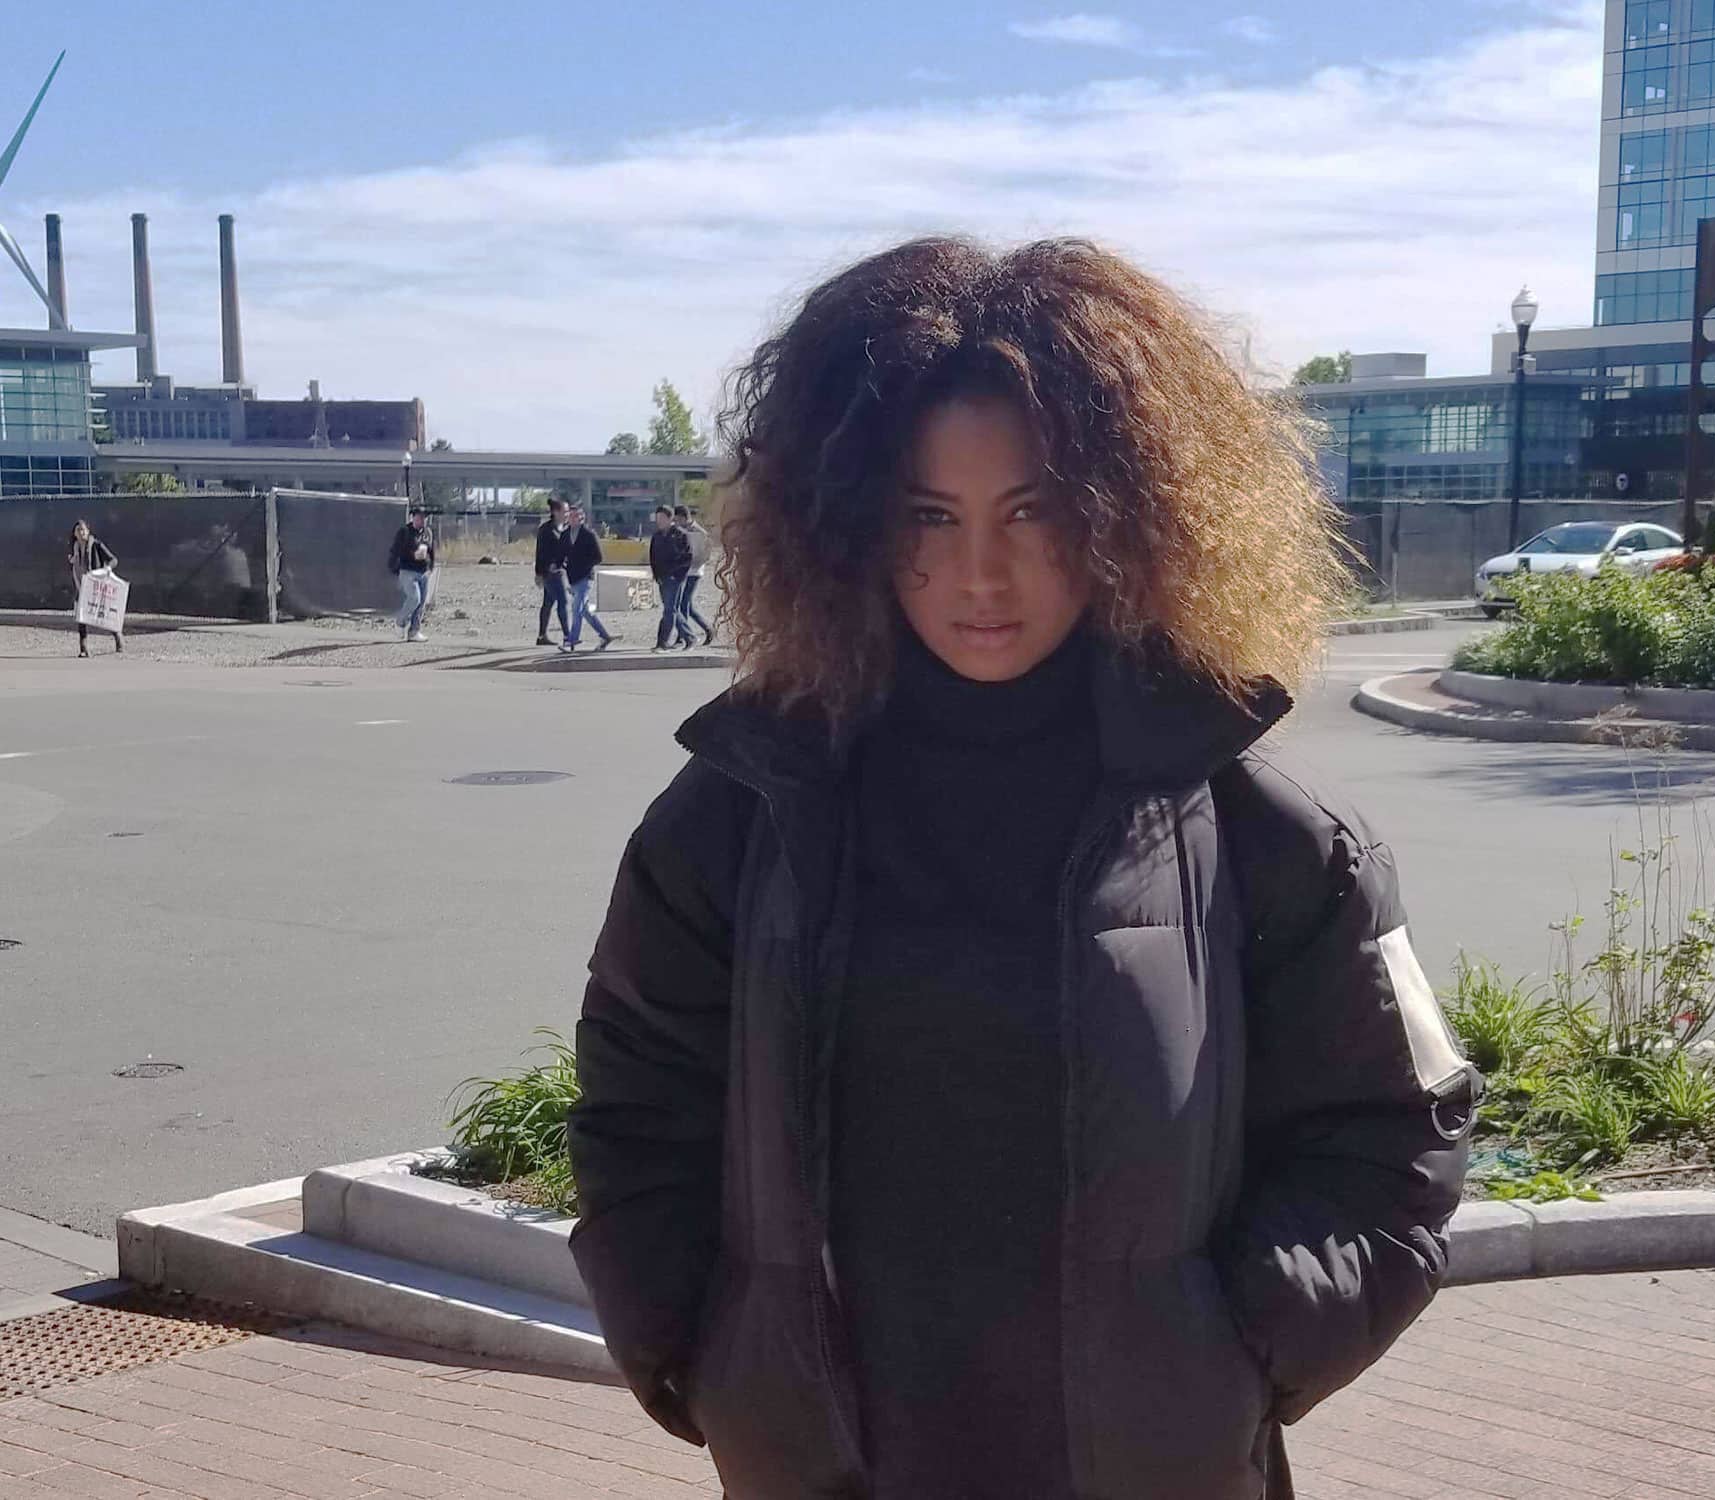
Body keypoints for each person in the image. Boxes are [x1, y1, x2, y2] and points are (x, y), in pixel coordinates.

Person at [566, 237, 1477, 1500]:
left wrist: (1232, 1350)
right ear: (845, 528)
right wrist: (693, 1348)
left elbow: (1393, 1133)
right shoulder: (737, 817)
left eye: (1030, 512)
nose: (977, 575)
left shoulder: (1258, 829)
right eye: (926, 518)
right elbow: (635, 1107)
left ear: (1123, 515)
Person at [560, 505, 615, 653]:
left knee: (576, 608)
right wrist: (558, 565)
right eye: (570, 515)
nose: (571, 518)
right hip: (573, 579)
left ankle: (572, 639)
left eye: (575, 515)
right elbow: (561, 555)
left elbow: (598, 557)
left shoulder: (589, 535)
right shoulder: (565, 535)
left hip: (585, 578)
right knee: (584, 611)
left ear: (581, 517)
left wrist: (583, 565)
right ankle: (605, 636)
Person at [66, 520, 122, 658]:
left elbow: (114, 559)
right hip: (81, 585)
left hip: (97, 586)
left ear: (88, 531)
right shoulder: (73, 548)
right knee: (81, 616)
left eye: (83, 529)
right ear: (75, 533)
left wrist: (107, 568)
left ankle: (118, 637)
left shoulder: (96, 545)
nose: (81, 532)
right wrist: (72, 560)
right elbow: (73, 564)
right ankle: (83, 648)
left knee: (105, 615)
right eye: (78, 530)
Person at [648, 505, 694, 652]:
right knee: (672, 610)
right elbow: (653, 558)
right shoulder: (656, 537)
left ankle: (662, 642)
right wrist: (656, 576)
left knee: (669, 611)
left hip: (675, 579)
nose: (659, 522)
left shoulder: (680, 535)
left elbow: (688, 558)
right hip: (662, 578)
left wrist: (677, 575)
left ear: (670, 518)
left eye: (662, 518)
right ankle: (690, 637)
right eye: (657, 519)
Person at [389, 505, 437, 642]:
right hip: (407, 570)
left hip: (423, 571)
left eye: (424, 518)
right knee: (414, 598)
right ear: (413, 518)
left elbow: (431, 550)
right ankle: (400, 622)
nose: (422, 520)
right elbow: (395, 550)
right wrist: (411, 554)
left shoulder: (427, 532)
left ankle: (414, 631)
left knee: (421, 603)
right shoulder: (405, 532)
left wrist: (431, 565)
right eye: (419, 517)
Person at [672, 502, 716, 647]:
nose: (676, 522)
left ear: (684, 517)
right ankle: (704, 629)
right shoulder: (678, 530)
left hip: (694, 572)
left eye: (677, 519)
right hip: (682, 570)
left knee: (684, 604)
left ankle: (684, 636)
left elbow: (705, 553)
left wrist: (694, 563)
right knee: (684, 605)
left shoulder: (699, 532)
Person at [534, 497, 572, 644]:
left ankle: (542, 636)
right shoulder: (546, 530)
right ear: (556, 512)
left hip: (561, 570)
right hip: (551, 573)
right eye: (565, 511)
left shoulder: (565, 529)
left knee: (548, 603)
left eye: (568, 511)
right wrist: (538, 573)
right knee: (563, 601)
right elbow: (540, 552)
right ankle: (568, 636)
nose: (567, 514)